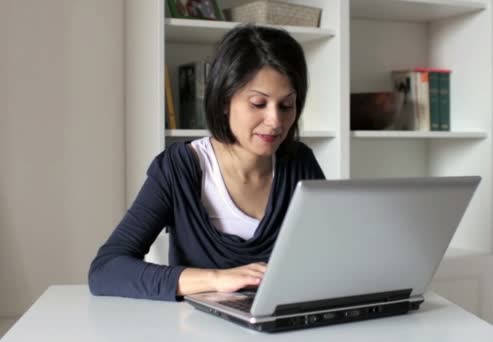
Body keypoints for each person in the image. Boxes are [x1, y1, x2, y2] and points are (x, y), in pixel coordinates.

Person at [88, 25, 325, 301]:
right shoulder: (178, 169)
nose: (276, 121)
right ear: (225, 100)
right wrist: (216, 278)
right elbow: (105, 269)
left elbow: (332, 254)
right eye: (259, 103)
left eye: (286, 106)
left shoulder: (299, 164)